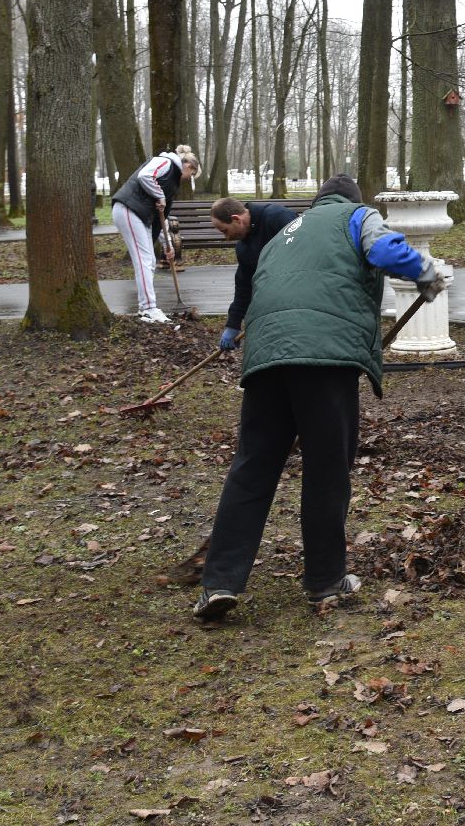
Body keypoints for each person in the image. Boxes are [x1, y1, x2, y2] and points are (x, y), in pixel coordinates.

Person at [193, 175, 446, 621]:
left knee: (252, 468)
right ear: (353, 200)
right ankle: (325, 580)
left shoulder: (285, 233)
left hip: (266, 358)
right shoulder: (357, 216)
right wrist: (425, 272)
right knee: (326, 470)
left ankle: (219, 582)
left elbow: (256, 290)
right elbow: (384, 250)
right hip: (325, 359)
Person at [111, 145, 200, 324]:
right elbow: (145, 176)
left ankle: (146, 308)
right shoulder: (166, 162)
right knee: (144, 260)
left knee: (149, 260)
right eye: (191, 176)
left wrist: (168, 245)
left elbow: (162, 218)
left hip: (139, 214)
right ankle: (148, 308)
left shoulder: (172, 182)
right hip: (129, 209)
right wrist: (160, 196)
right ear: (189, 166)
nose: (188, 180)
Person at [208, 197, 301, 352]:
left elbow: (305, 251)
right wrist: (233, 324)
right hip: (278, 305)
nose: (227, 237)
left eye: (225, 230)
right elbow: (244, 286)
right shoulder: (243, 248)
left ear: (236, 219)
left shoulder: (277, 217)